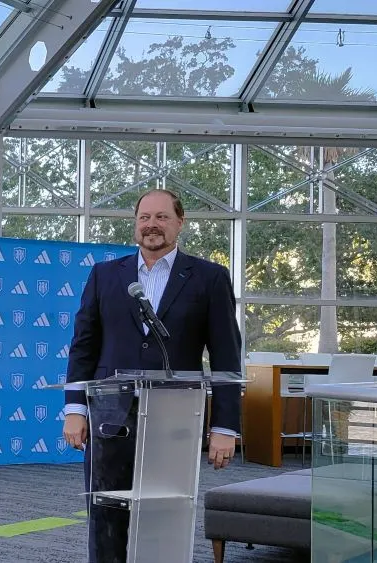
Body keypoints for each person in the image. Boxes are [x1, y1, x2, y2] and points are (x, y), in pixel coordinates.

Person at [61, 188, 242, 563]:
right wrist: (75, 407)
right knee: (106, 515)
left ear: (180, 222)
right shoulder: (105, 275)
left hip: (176, 419)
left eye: (161, 217)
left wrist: (225, 427)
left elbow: (226, 354)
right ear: (135, 224)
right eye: (144, 218)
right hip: (110, 418)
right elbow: (83, 347)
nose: (152, 225)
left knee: (165, 514)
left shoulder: (209, 278)